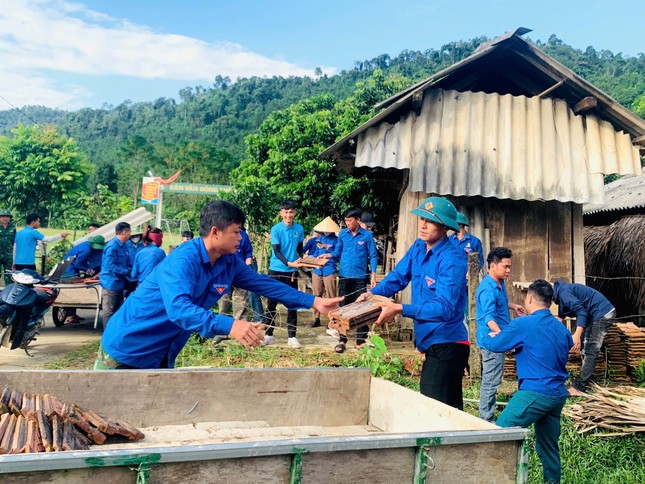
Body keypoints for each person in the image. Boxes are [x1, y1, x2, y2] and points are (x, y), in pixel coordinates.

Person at [94, 200, 342, 370]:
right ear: (215, 231)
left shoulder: (229, 262)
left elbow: (265, 283)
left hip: (162, 353)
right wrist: (231, 325)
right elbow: (179, 310)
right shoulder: (183, 260)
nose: (241, 238)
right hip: (126, 349)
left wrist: (315, 301)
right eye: (236, 231)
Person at [358, 197, 469, 409]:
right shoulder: (419, 246)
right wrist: (371, 294)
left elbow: (444, 308)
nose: (423, 225)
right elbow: (398, 277)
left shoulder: (452, 259)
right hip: (431, 342)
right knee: (448, 409)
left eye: (431, 221)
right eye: (421, 219)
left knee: (432, 407)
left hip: (448, 343)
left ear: (445, 226)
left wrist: (400, 308)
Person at [481, 279, 573, 484]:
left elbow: (494, 344)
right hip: (557, 395)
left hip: (535, 392)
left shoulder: (522, 324)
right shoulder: (562, 330)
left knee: (499, 434)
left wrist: (496, 335)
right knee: (548, 447)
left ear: (529, 297)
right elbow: (545, 350)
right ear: (550, 302)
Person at [475, 247, 526, 422]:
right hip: (492, 341)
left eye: (509, 266)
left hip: (499, 338)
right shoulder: (487, 289)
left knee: (494, 378)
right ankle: (485, 420)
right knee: (491, 382)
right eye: (505, 266)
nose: (508, 270)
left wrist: (513, 306)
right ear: (493, 265)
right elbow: (489, 318)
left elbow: (500, 303)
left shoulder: (499, 283)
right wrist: (501, 334)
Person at [322, 208, 378, 353]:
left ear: (358, 220)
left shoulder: (367, 236)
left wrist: (373, 274)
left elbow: (372, 255)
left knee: (360, 308)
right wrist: (327, 256)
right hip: (344, 276)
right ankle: (342, 339)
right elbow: (337, 252)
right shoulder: (342, 234)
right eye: (346, 220)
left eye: (350, 220)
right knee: (343, 308)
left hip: (360, 277)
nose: (347, 223)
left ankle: (361, 340)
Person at [553, 280, 616, 396]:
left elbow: (582, 312)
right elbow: (561, 315)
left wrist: (576, 335)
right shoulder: (561, 294)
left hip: (602, 314)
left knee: (590, 349)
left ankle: (579, 387)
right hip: (595, 315)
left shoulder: (564, 293)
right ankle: (588, 379)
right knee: (584, 348)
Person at [264, 200, 306, 349]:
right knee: (271, 303)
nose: (288, 215)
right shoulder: (276, 229)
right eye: (285, 212)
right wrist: (289, 263)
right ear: (281, 213)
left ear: (295, 213)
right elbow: (276, 251)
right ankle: (269, 334)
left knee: (292, 304)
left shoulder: (299, 229)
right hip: (276, 270)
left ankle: (292, 336)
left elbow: (300, 248)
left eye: (291, 212)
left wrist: (303, 259)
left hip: (292, 272)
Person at [303, 216, 340, 328]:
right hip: (318, 269)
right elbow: (316, 253)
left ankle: (333, 320)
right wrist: (310, 258)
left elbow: (337, 254)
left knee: (331, 295)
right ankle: (316, 318)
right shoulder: (320, 239)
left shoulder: (337, 240)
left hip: (330, 269)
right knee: (316, 295)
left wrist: (327, 248)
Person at [99, 222, 131, 327]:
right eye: (129, 232)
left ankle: (115, 333)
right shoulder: (112, 246)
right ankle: (107, 337)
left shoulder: (124, 246)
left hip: (119, 283)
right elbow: (109, 266)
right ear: (125, 232)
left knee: (118, 311)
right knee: (109, 311)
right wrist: (126, 272)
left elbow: (127, 262)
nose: (130, 235)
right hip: (110, 283)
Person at [219, 228, 254, 321]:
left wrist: (248, 267)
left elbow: (248, 253)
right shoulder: (220, 233)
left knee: (241, 304)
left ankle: (241, 331)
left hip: (240, 274)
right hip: (223, 275)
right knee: (223, 303)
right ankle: (221, 332)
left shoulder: (243, 235)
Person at [0, 209, 16, 285]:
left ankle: (8, 293)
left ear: (10, 218)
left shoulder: (12, 227)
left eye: (7, 216)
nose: (5, 218)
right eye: (3, 216)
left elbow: (14, 241)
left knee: (9, 275)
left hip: (8, 255)